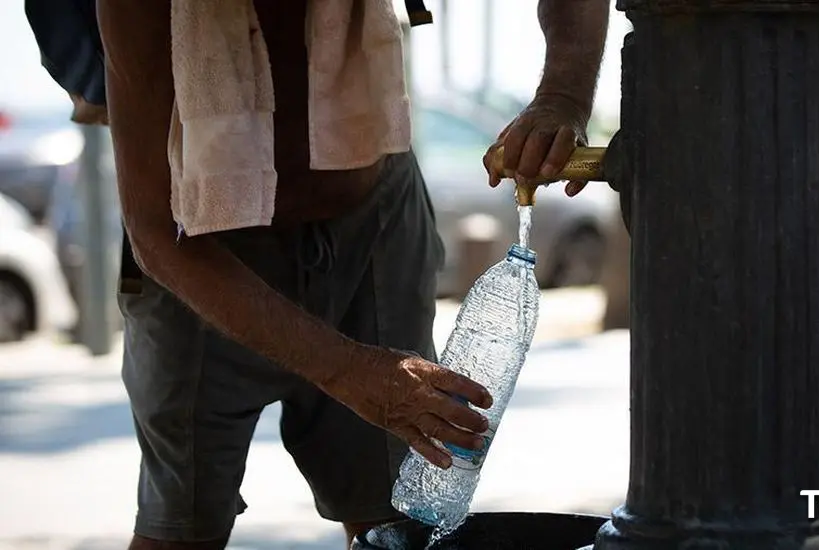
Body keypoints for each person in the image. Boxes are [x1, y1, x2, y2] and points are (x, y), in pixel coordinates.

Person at [93, 0, 610, 549]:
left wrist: (563, 96)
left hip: (372, 214)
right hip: (200, 246)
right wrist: (348, 370)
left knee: (396, 527)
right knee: (179, 530)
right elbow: (154, 235)